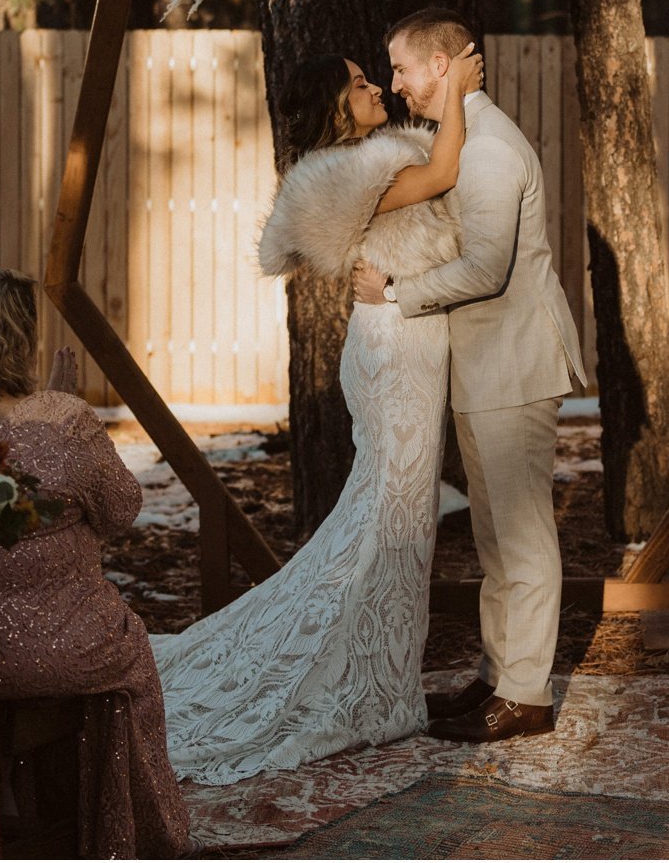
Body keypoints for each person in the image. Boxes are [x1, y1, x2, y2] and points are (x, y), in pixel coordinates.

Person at [149, 39, 485, 786]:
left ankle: (383, 675)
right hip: (394, 353)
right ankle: (369, 684)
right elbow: (444, 170)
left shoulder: (375, 159)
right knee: (390, 514)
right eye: (362, 83)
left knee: (396, 516)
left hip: (406, 342)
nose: (375, 88)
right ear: (339, 108)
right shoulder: (356, 172)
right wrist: (456, 88)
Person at [353, 8, 586, 743]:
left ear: (443, 66)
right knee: (494, 535)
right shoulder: (463, 140)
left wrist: (393, 292)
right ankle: (497, 674)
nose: (395, 83)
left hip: (513, 361)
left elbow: (485, 269)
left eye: (402, 67)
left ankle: (527, 693)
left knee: (521, 535)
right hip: (486, 365)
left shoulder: (487, 150)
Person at [0, 268, 189, 860]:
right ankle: (129, 829)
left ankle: (18, 798)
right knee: (134, 651)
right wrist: (62, 407)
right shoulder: (63, 421)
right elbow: (123, 508)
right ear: (24, 338)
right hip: (70, 649)